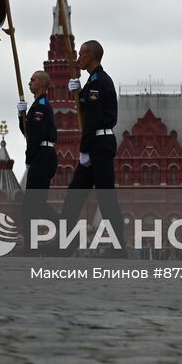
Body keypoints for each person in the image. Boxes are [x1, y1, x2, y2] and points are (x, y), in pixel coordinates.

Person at [58, 40, 126, 255]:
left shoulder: (99, 81)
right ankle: (65, 244)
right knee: (74, 196)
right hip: (96, 144)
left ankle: (119, 247)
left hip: (99, 145)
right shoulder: (93, 81)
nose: (78, 59)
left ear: (90, 56)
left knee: (106, 198)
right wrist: (77, 94)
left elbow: (93, 119)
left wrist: (84, 149)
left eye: (81, 55)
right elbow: (88, 110)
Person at [19, 70, 59, 252]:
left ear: (42, 84)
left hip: (42, 155)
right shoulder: (38, 104)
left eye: (33, 80)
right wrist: (22, 115)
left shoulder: (41, 106)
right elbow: (28, 131)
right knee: (39, 204)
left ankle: (30, 245)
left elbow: (35, 136)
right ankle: (67, 226)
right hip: (43, 155)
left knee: (31, 204)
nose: (29, 83)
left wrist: (29, 158)